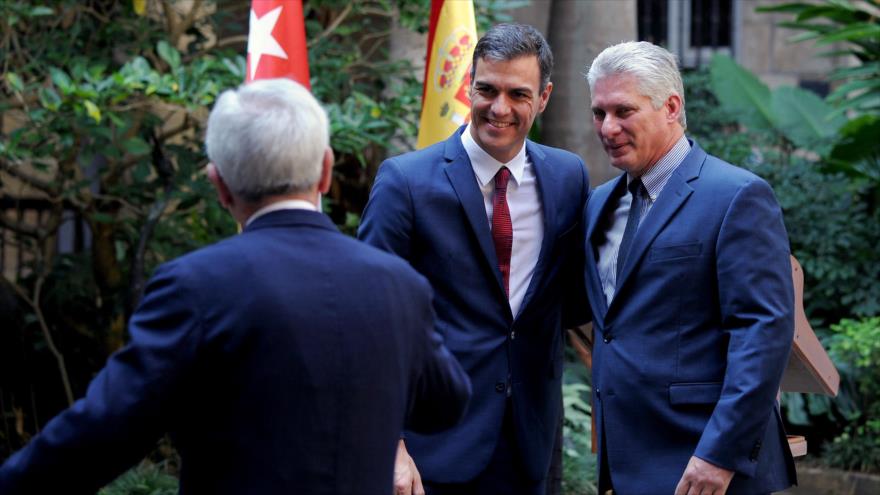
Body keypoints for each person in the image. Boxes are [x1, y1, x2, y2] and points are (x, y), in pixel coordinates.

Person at [0, 79, 471, 495]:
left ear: (219, 185)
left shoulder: (195, 286)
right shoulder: (399, 284)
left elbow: (108, 428)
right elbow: (445, 403)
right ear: (325, 171)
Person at [359, 23, 589, 495]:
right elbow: (370, 319)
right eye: (487, 89)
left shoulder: (568, 178)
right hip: (430, 450)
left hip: (529, 443)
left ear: (543, 98)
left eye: (518, 94)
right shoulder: (405, 182)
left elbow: (575, 300)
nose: (499, 108)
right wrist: (389, 443)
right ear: (469, 85)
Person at [583, 41, 797, 495]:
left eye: (623, 110)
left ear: (671, 107)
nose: (608, 127)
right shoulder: (598, 204)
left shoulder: (737, 196)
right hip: (625, 466)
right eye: (599, 113)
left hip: (707, 468)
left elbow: (762, 332)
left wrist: (719, 456)